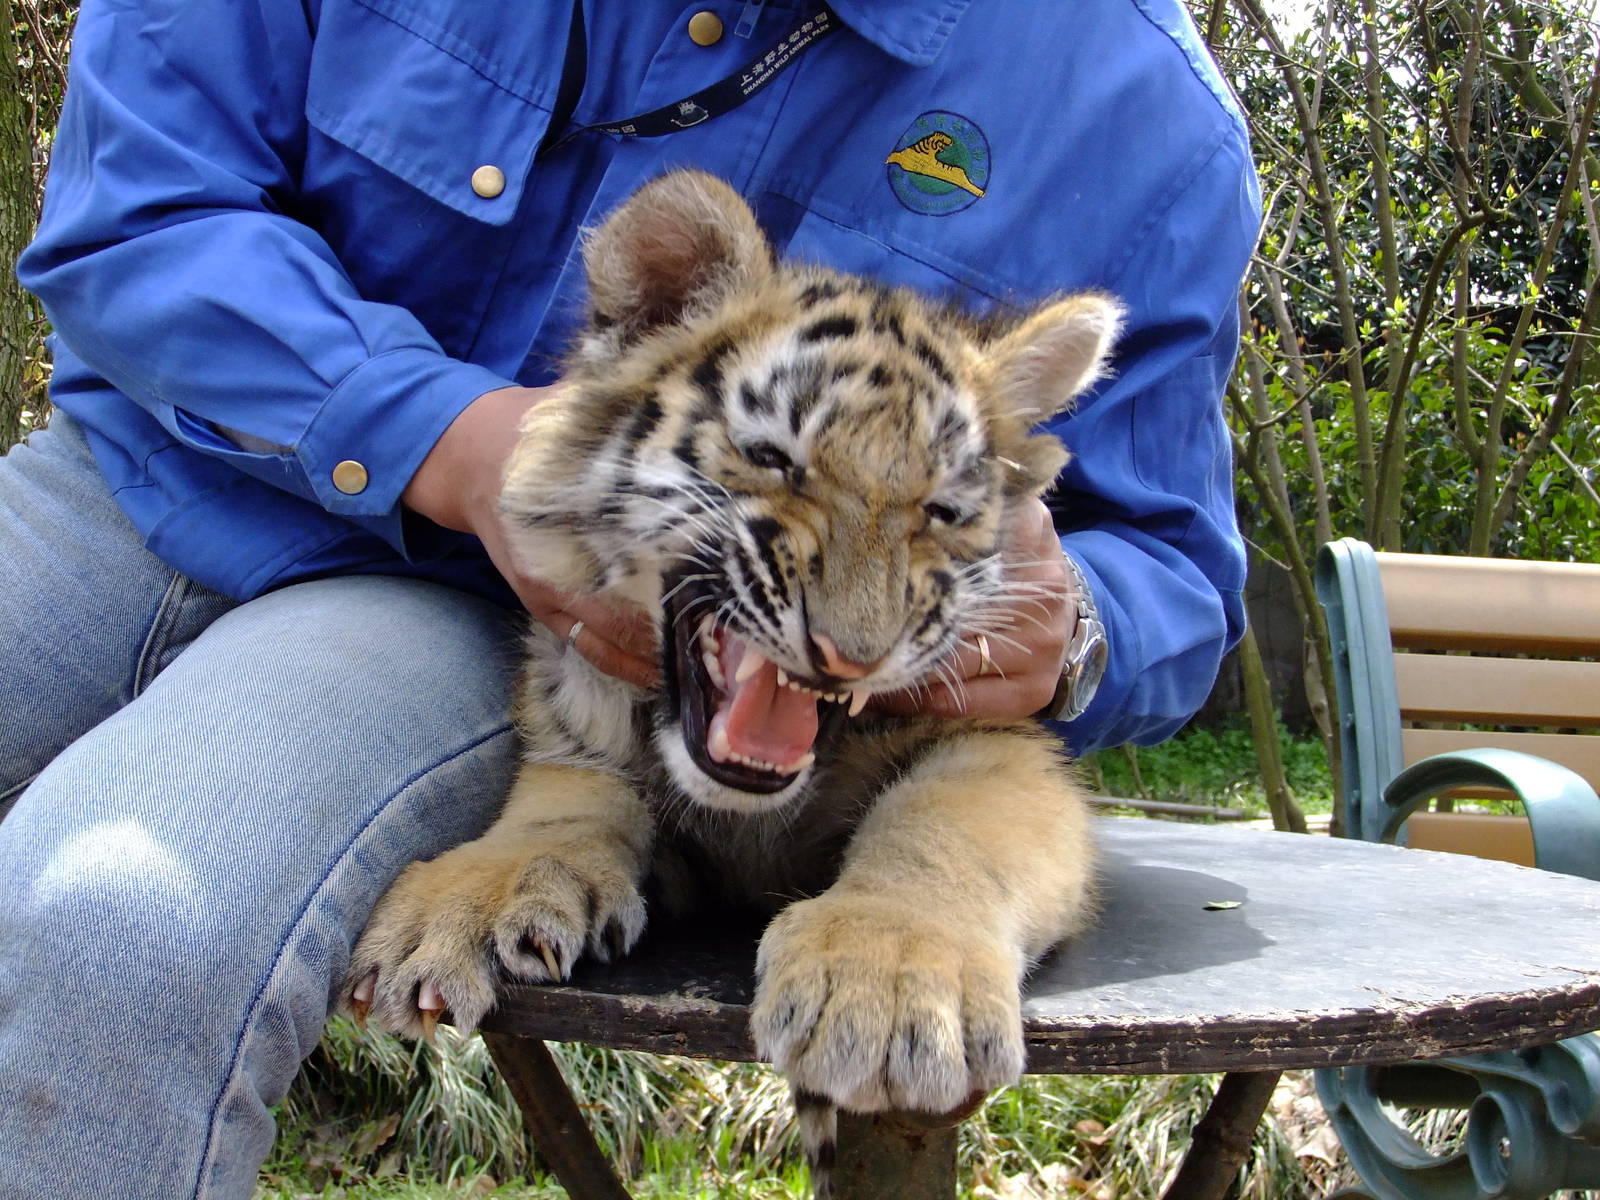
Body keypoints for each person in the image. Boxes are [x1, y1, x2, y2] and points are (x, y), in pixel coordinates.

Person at [0, 1, 1259, 1195]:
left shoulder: (1137, 110)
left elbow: (1168, 568)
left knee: (113, 933)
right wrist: (451, 444)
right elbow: (142, 211)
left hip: (465, 624)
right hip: (131, 472)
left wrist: (1071, 622)